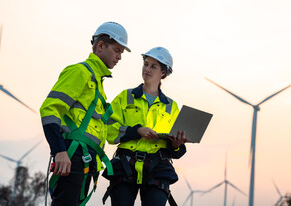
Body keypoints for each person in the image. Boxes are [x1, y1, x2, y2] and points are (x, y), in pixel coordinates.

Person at [40, 21, 130, 206]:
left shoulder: (97, 82)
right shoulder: (80, 72)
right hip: (71, 157)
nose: (120, 56)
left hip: (85, 161)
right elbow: (49, 109)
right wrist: (59, 151)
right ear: (101, 46)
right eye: (117, 50)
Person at [102, 47, 188, 206]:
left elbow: (175, 148)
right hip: (125, 164)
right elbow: (107, 128)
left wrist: (176, 145)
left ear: (163, 72)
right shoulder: (125, 97)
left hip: (157, 168)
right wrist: (136, 131)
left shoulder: (171, 107)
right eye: (146, 64)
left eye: (153, 66)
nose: (147, 69)